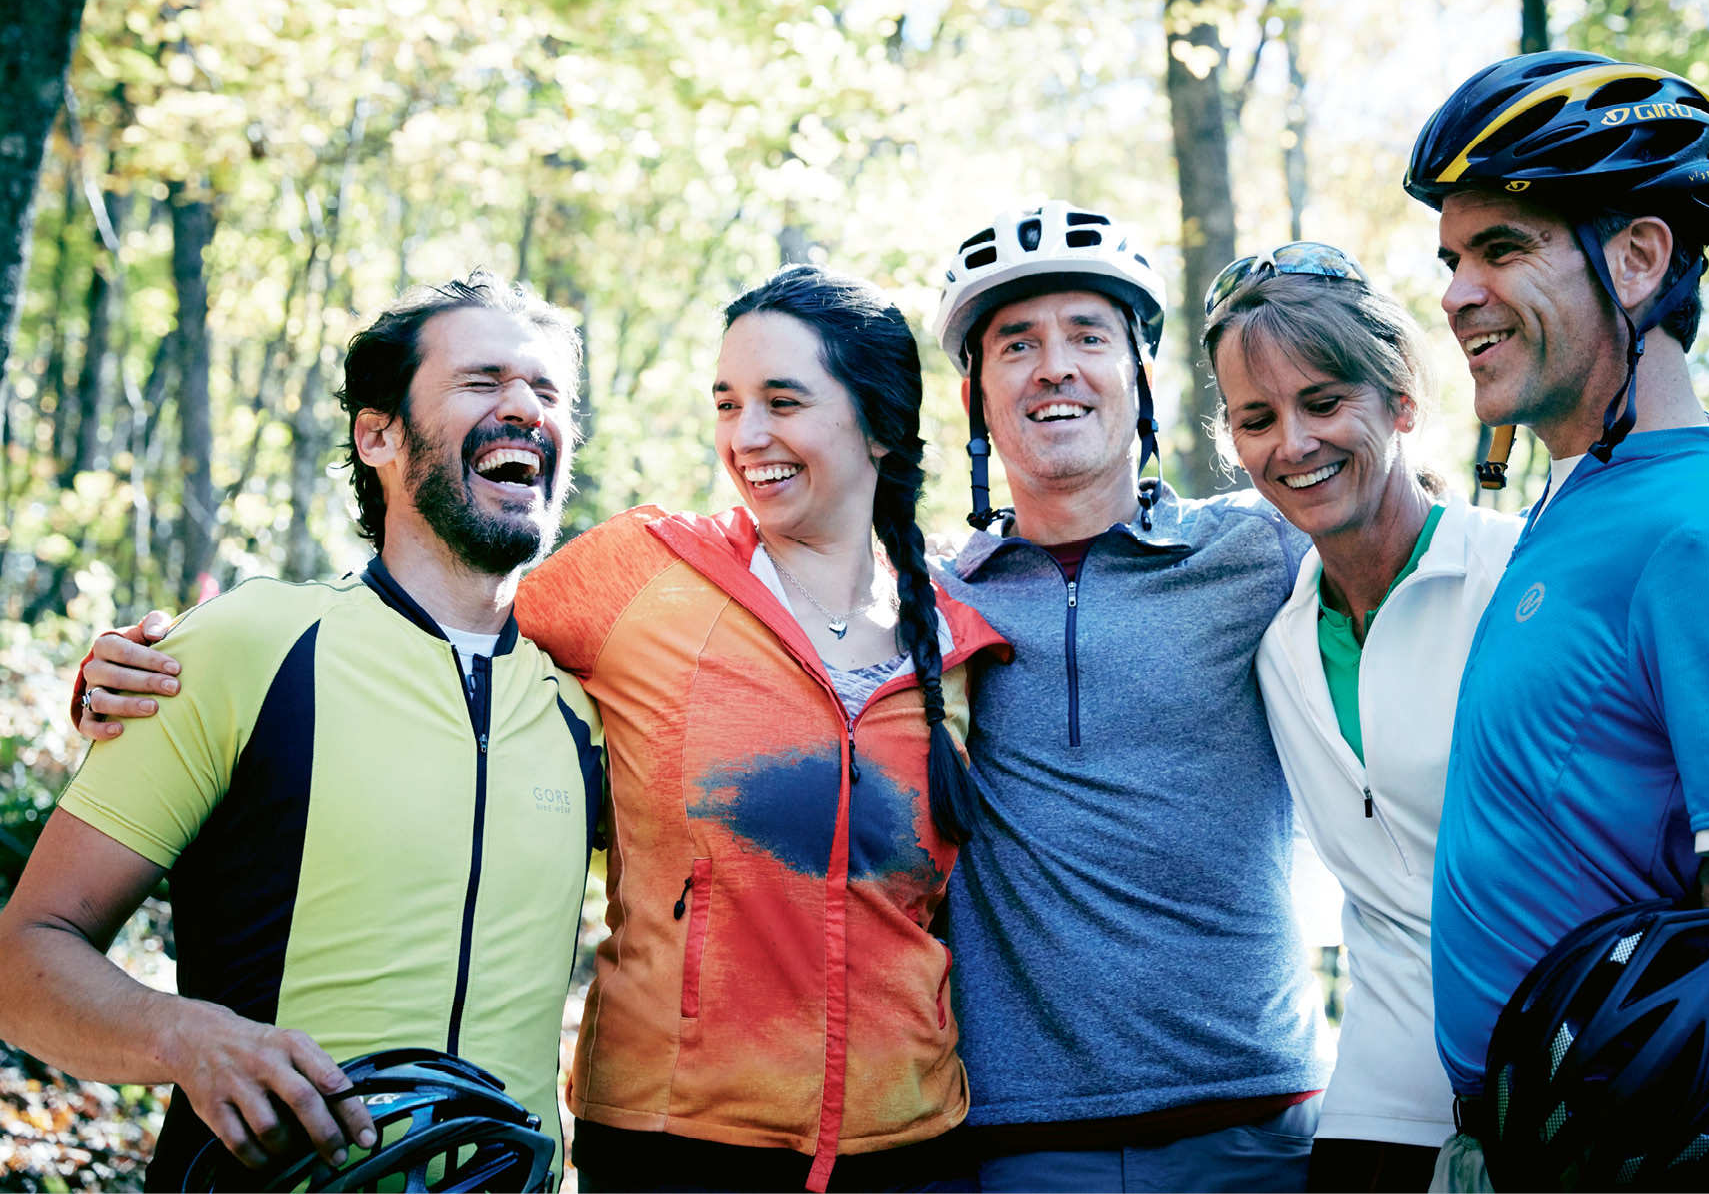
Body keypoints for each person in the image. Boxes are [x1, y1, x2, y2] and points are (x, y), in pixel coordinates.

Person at [74, 264, 1008, 1194]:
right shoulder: (643, 578)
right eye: (727, 402)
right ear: (378, 431)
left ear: (882, 425)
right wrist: (142, 661)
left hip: (907, 1147)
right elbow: (435, 604)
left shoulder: (966, 638)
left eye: (783, 399)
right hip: (670, 1148)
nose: (746, 434)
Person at [1, 272, 604, 1190]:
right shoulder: (242, 646)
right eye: (482, 381)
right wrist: (186, 1035)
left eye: (549, 392)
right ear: (379, 435)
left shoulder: (591, 707)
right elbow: (24, 955)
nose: (524, 407)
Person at [1404, 51, 1709, 1190]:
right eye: (1450, 258)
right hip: (1515, 1144)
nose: (1454, 292)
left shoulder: (1699, 537)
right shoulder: (1579, 502)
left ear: (1635, 258)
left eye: (1501, 249)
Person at [931, 200, 1327, 1193]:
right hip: (1025, 1141)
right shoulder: (924, 594)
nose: (1053, 367)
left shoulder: (1262, 548)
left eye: (1087, 336)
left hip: (1257, 1125)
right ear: (977, 396)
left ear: (1139, 376)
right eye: (1014, 343)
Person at [1201, 242, 1521, 1193]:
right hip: (1382, 1090)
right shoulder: (1277, 641)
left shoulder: (1518, 577)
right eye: (1256, 419)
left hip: (1564, 1066)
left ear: (1401, 405)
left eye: (1324, 401)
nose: (1291, 444)